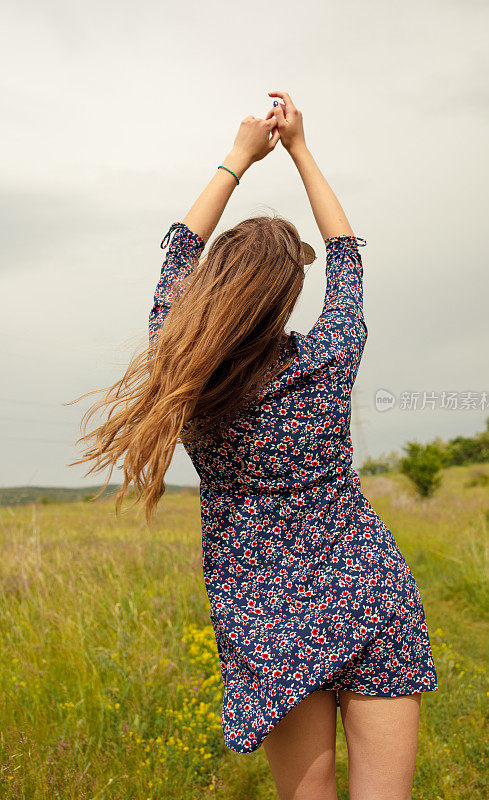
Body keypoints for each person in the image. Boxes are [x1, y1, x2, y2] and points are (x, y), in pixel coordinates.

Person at [70, 90, 438, 800]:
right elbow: (347, 258)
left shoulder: (185, 372)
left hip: (267, 615)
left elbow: (179, 247)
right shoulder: (329, 361)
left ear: (213, 289)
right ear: (286, 297)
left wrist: (239, 154)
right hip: (370, 592)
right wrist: (300, 149)